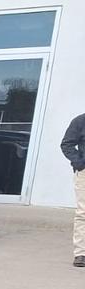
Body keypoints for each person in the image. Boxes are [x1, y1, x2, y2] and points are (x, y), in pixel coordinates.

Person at [61, 112, 85, 267]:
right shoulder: (80, 121)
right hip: (84, 173)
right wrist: (80, 162)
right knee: (83, 213)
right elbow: (66, 144)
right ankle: (81, 253)